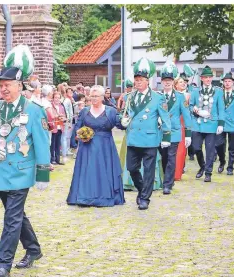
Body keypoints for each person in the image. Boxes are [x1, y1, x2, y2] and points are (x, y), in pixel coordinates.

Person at [0, 63, 51, 277]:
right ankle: (34, 249)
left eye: (8, 84)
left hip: (21, 172)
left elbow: (41, 143)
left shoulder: (34, 110)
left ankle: (3, 264)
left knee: (11, 218)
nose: (4, 88)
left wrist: (43, 173)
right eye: (1, 85)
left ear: (19, 85)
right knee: (16, 214)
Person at [121, 57, 171, 210]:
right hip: (133, 138)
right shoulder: (129, 97)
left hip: (150, 138)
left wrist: (166, 136)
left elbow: (165, 117)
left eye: (141, 80)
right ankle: (142, 188)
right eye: (136, 80)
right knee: (131, 168)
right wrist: (122, 120)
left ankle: (145, 198)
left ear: (147, 81)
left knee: (149, 170)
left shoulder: (157, 98)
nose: (138, 83)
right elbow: (127, 114)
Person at [67, 85, 125, 207]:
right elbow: (77, 127)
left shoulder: (111, 111)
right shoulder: (84, 111)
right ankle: (85, 197)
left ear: (102, 97)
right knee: (88, 170)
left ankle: (104, 197)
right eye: (92, 96)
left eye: (96, 96)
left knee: (104, 170)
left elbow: (119, 125)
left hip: (105, 147)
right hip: (87, 147)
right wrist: (79, 135)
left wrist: (125, 121)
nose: (93, 98)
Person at [157, 62, 192, 195]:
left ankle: (167, 184)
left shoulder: (180, 97)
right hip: (160, 131)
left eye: (169, 80)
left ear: (173, 82)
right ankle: (166, 179)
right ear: (161, 82)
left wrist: (188, 134)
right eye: (165, 80)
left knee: (172, 157)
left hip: (175, 131)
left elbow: (187, 115)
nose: (167, 83)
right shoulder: (157, 96)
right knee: (163, 157)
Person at [189, 65, 225, 182]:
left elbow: (221, 108)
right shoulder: (195, 91)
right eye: (206, 77)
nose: (208, 79)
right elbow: (189, 106)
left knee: (210, 150)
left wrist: (220, 124)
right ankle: (202, 166)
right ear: (202, 78)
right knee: (196, 148)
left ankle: (208, 172)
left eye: (210, 77)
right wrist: (195, 110)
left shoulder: (218, 92)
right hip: (197, 124)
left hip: (211, 124)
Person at [215, 73, 234, 175]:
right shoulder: (218, 94)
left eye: (229, 81)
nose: (227, 83)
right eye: (225, 81)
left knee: (232, 147)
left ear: (233, 83)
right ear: (223, 83)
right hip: (221, 123)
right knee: (219, 145)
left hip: (233, 124)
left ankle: (230, 167)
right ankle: (222, 162)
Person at [50, 91, 67, 165]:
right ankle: (52, 159)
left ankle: (58, 159)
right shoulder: (50, 106)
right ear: (53, 98)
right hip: (53, 127)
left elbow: (64, 116)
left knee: (58, 144)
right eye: (55, 97)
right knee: (52, 144)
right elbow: (50, 116)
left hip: (60, 127)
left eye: (58, 98)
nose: (57, 99)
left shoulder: (61, 107)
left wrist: (63, 118)